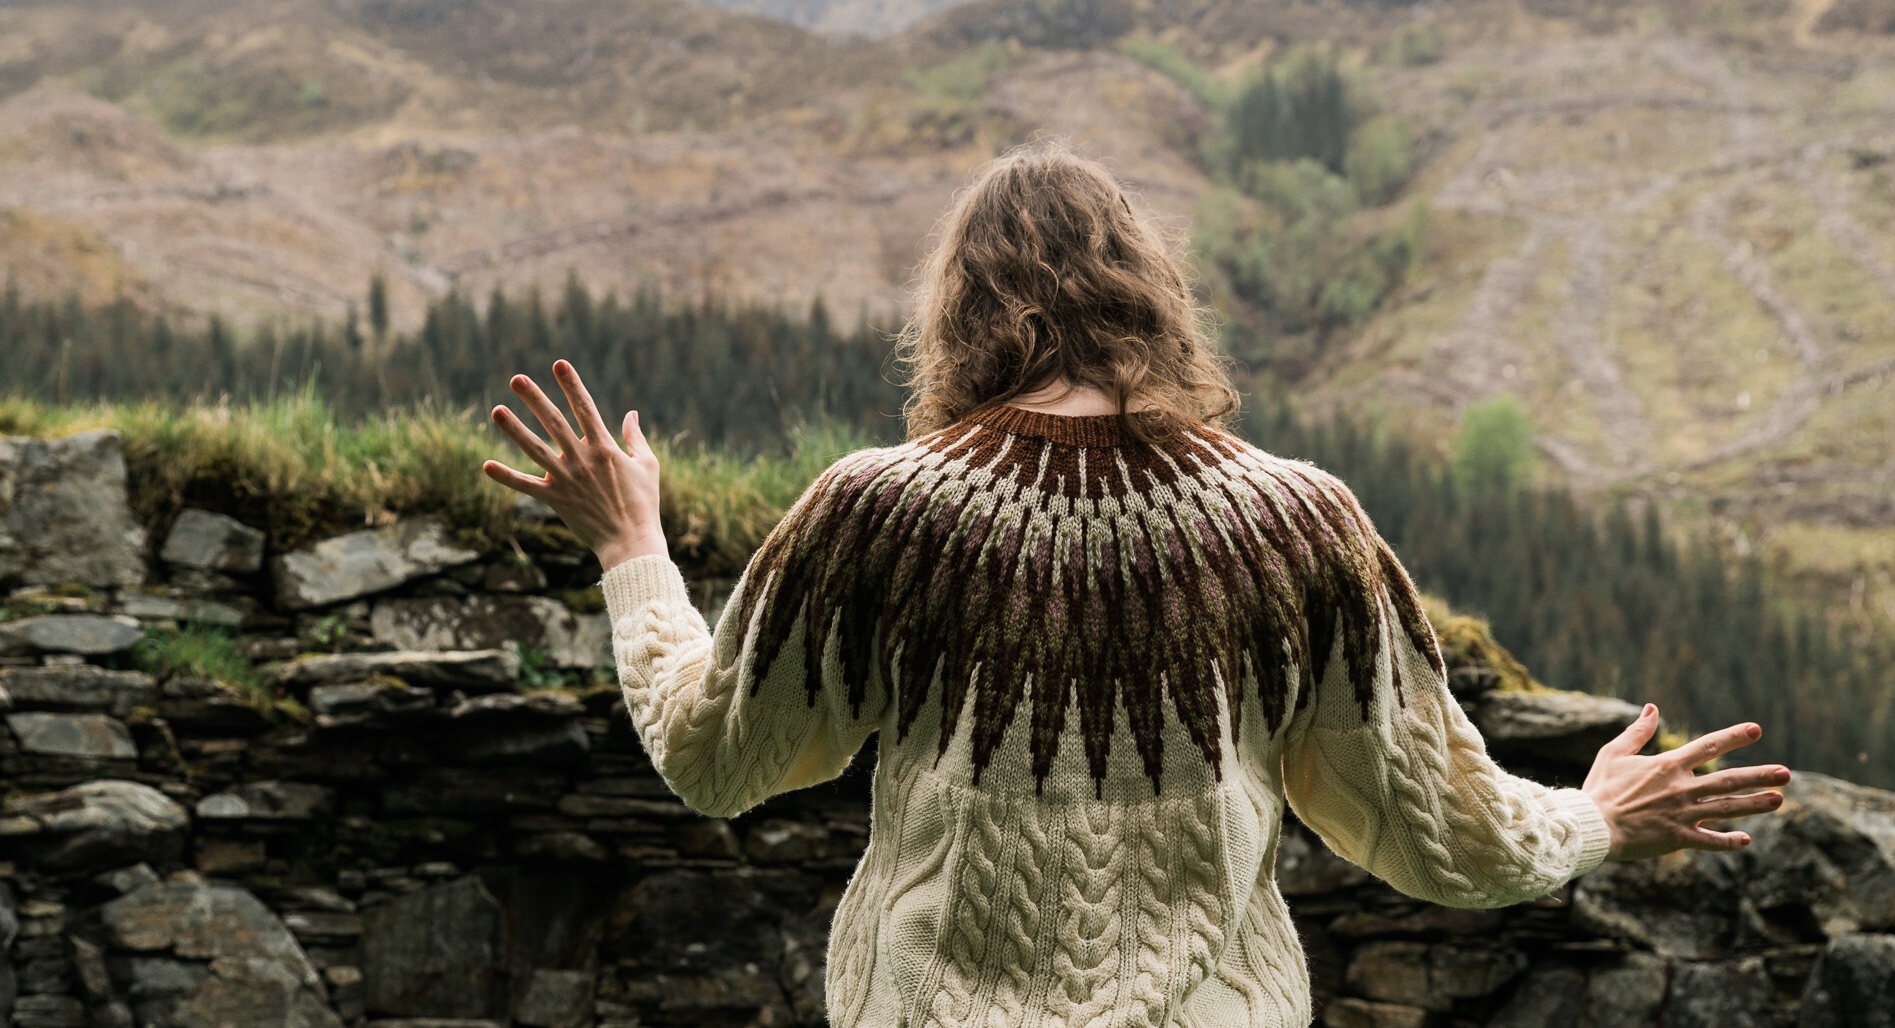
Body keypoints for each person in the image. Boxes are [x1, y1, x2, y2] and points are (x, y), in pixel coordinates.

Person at [481, 142, 1788, 1028]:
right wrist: (1599, 816)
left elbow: (712, 762)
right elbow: (1451, 843)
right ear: (1147, 299)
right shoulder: (1299, 525)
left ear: (961, 310)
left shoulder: (879, 511)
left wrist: (631, 549)